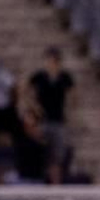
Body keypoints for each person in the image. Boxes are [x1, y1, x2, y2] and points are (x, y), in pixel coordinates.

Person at [28, 49, 73, 184]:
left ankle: (55, 183)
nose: (51, 64)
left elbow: (73, 94)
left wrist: (69, 108)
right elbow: (24, 89)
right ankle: (39, 181)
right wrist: (34, 105)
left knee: (57, 156)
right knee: (41, 153)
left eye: (53, 61)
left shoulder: (64, 77)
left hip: (58, 120)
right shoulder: (40, 76)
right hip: (42, 121)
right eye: (49, 61)